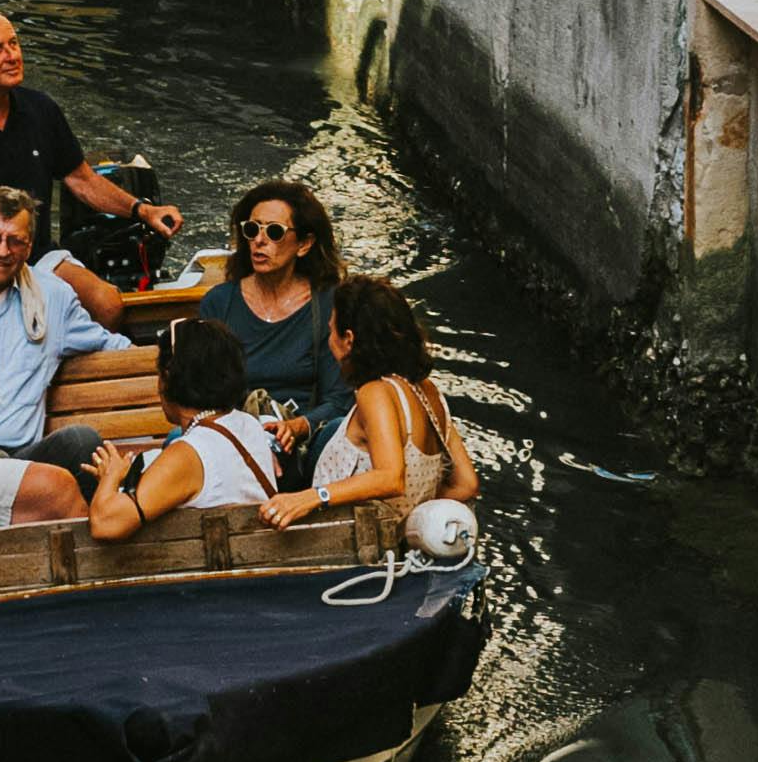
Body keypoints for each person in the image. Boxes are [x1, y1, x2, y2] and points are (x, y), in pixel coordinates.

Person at [0, 180, 161, 524]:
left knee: (82, 441)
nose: (2, 251)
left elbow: (110, 343)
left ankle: (100, 528)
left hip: (25, 452)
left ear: (29, 246)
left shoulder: (53, 297)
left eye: (15, 241)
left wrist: (170, 361)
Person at [0, 5, 176, 270]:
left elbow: (83, 180)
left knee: (107, 303)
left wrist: (143, 210)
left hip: (36, 258)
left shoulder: (41, 110)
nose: (13, 56)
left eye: (14, 43)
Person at [274, 269, 479, 529]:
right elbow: (466, 484)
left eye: (331, 331)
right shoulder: (428, 391)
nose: (329, 339)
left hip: (348, 545)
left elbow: (390, 478)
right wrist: (410, 520)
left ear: (348, 340)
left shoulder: (375, 393)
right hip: (400, 542)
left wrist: (311, 497)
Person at [179, 178, 354, 471]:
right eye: (252, 230)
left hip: (307, 446)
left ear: (304, 244)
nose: (259, 241)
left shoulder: (327, 303)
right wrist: (247, 438)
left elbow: (338, 399)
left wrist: (298, 427)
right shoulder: (219, 303)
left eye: (273, 232)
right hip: (235, 442)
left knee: (339, 428)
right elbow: (203, 396)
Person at [88, 310, 293, 535]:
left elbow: (105, 524)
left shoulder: (189, 453)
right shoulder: (248, 423)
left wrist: (111, 475)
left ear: (167, 377)